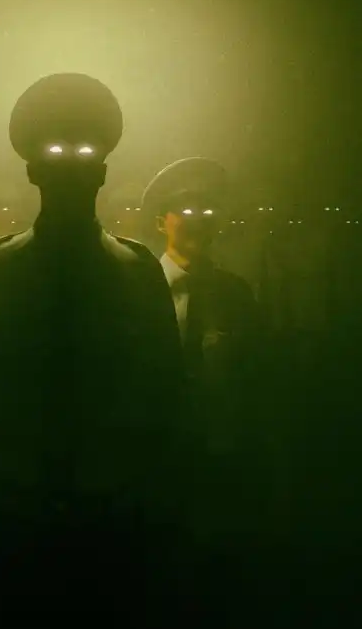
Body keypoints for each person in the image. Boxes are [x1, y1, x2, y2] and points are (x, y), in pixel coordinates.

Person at [0, 74, 187, 624]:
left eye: (84, 152)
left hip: (99, 515)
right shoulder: (127, 270)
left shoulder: (2, 268)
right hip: (21, 514)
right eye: (55, 152)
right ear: (32, 170)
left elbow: (167, 400)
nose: (70, 166)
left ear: (103, 170)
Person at [142, 157, 272, 622]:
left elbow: (257, 383)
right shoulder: (136, 289)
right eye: (184, 210)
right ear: (161, 221)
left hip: (221, 462)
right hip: (148, 462)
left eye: (207, 211)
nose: (197, 220)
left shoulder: (235, 296)